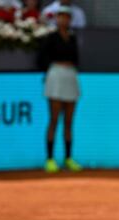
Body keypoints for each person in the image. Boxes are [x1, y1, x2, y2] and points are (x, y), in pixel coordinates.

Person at [38, 5, 82, 173]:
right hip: (56, 76)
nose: (64, 19)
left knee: (69, 122)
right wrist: (55, 67)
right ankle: (49, 159)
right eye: (61, 16)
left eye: (67, 16)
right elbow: (41, 59)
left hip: (70, 76)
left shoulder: (72, 38)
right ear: (56, 18)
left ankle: (68, 158)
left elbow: (77, 59)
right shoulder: (50, 37)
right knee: (54, 120)